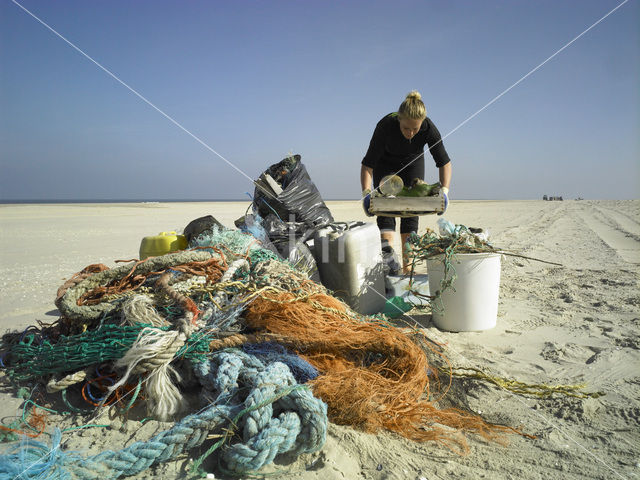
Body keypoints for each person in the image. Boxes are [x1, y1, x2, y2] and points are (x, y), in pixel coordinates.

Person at [360, 91, 452, 273]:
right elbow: (368, 165)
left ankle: (408, 269)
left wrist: (445, 191)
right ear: (399, 120)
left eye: (415, 129)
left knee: (412, 210)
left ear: (422, 124)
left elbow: (444, 163)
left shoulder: (428, 128)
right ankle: (389, 267)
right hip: (385, 164)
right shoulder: (385, 125)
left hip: (413, 162)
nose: (410, 133)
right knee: (386, 210)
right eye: (406, 128)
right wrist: (366, 193)